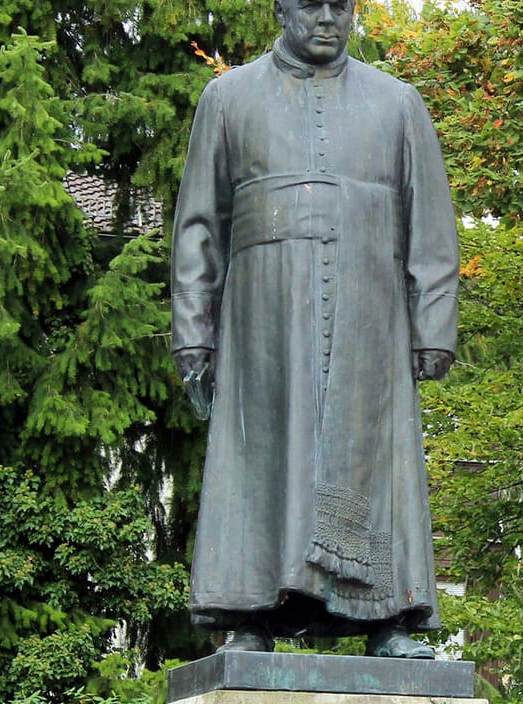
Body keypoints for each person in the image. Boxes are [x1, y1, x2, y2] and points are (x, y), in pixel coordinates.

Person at [170, 0, 457, 659]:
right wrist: (194, 336)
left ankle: (387, 620)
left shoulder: (399, 103)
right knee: (259, 459)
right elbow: (197, 232)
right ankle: (250, 618)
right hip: (260, 324)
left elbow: (432, 228)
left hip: (373, 321)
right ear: (281, 9)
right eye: (312, 4)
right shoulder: (227, 99)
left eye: (342, 5)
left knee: (374, 464)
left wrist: (433, 324)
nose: (329, 18)